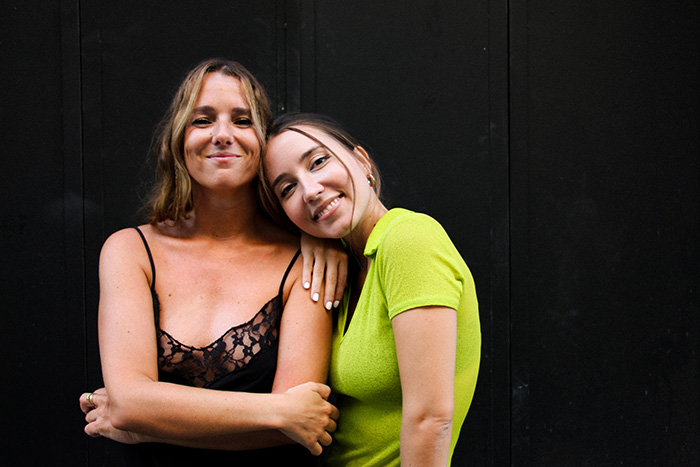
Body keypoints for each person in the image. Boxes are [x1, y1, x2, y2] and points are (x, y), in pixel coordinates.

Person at [79, 60, 346, 466]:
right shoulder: (130, 250)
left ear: (264, 142)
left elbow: (299, 430)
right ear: (178, 139)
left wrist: (146, 427)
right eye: (202, 120)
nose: (222, 134)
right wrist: (277, 410)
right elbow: (130, 401)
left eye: (242, 120)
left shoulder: (306, 261)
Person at [260, 113, 481, 466]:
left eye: (318, 162)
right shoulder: (346, 265)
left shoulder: (408, 240)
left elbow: (430, 420)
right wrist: (310, 237)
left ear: (362, 161)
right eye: (288, 189)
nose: (310, 191)